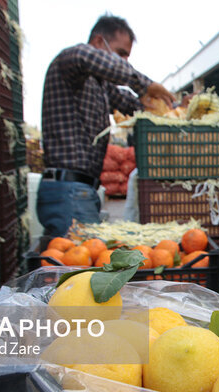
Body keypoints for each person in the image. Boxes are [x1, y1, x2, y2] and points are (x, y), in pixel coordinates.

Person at [37, 14, 175, 237]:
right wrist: (144, 84)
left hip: (82, 190)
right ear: (99, 42)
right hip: (68, 189)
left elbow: (134, 104)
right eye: (121, 54)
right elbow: (89, 58)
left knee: (82, 264)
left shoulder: (100, 86)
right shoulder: (71, 60)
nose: (124, 62)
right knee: (79, 267)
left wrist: (174, 106)